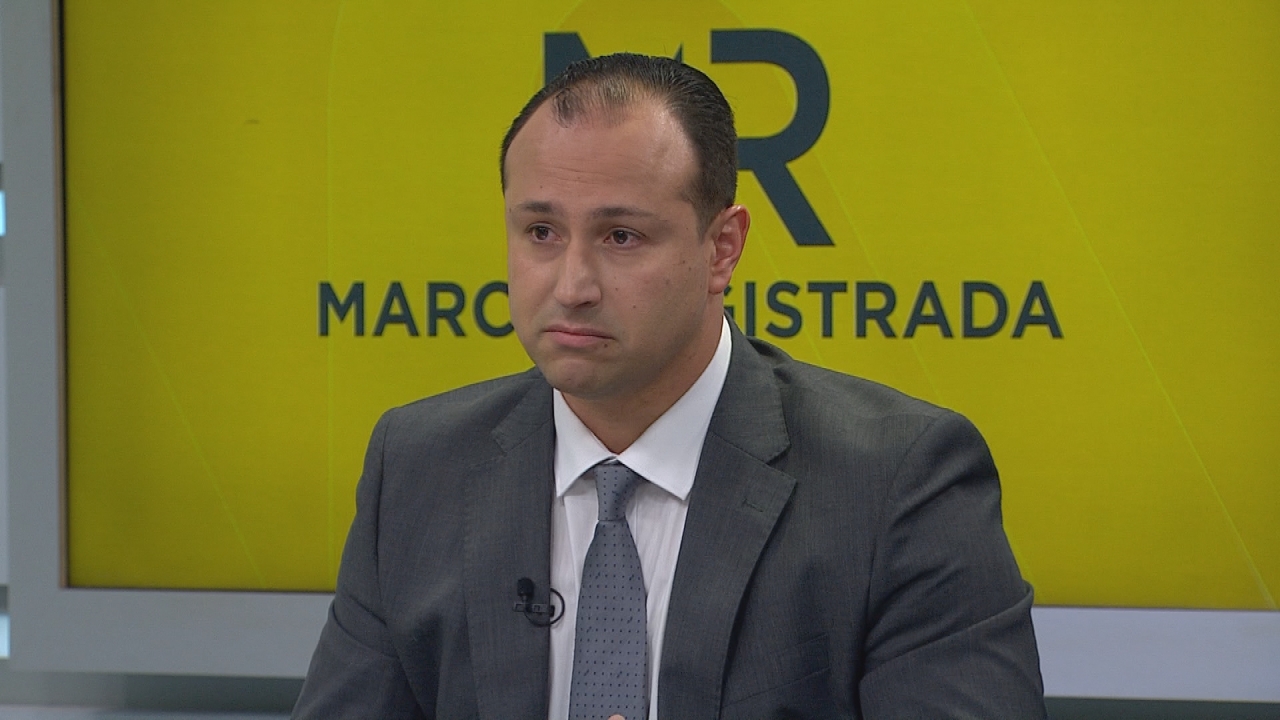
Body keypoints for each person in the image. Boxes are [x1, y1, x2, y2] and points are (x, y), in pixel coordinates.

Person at [293, 53, 1046, 719]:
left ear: (723, 249)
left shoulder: (897, 484)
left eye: (621, 236)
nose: (573, 285)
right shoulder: (419, 467)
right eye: (541, 233)